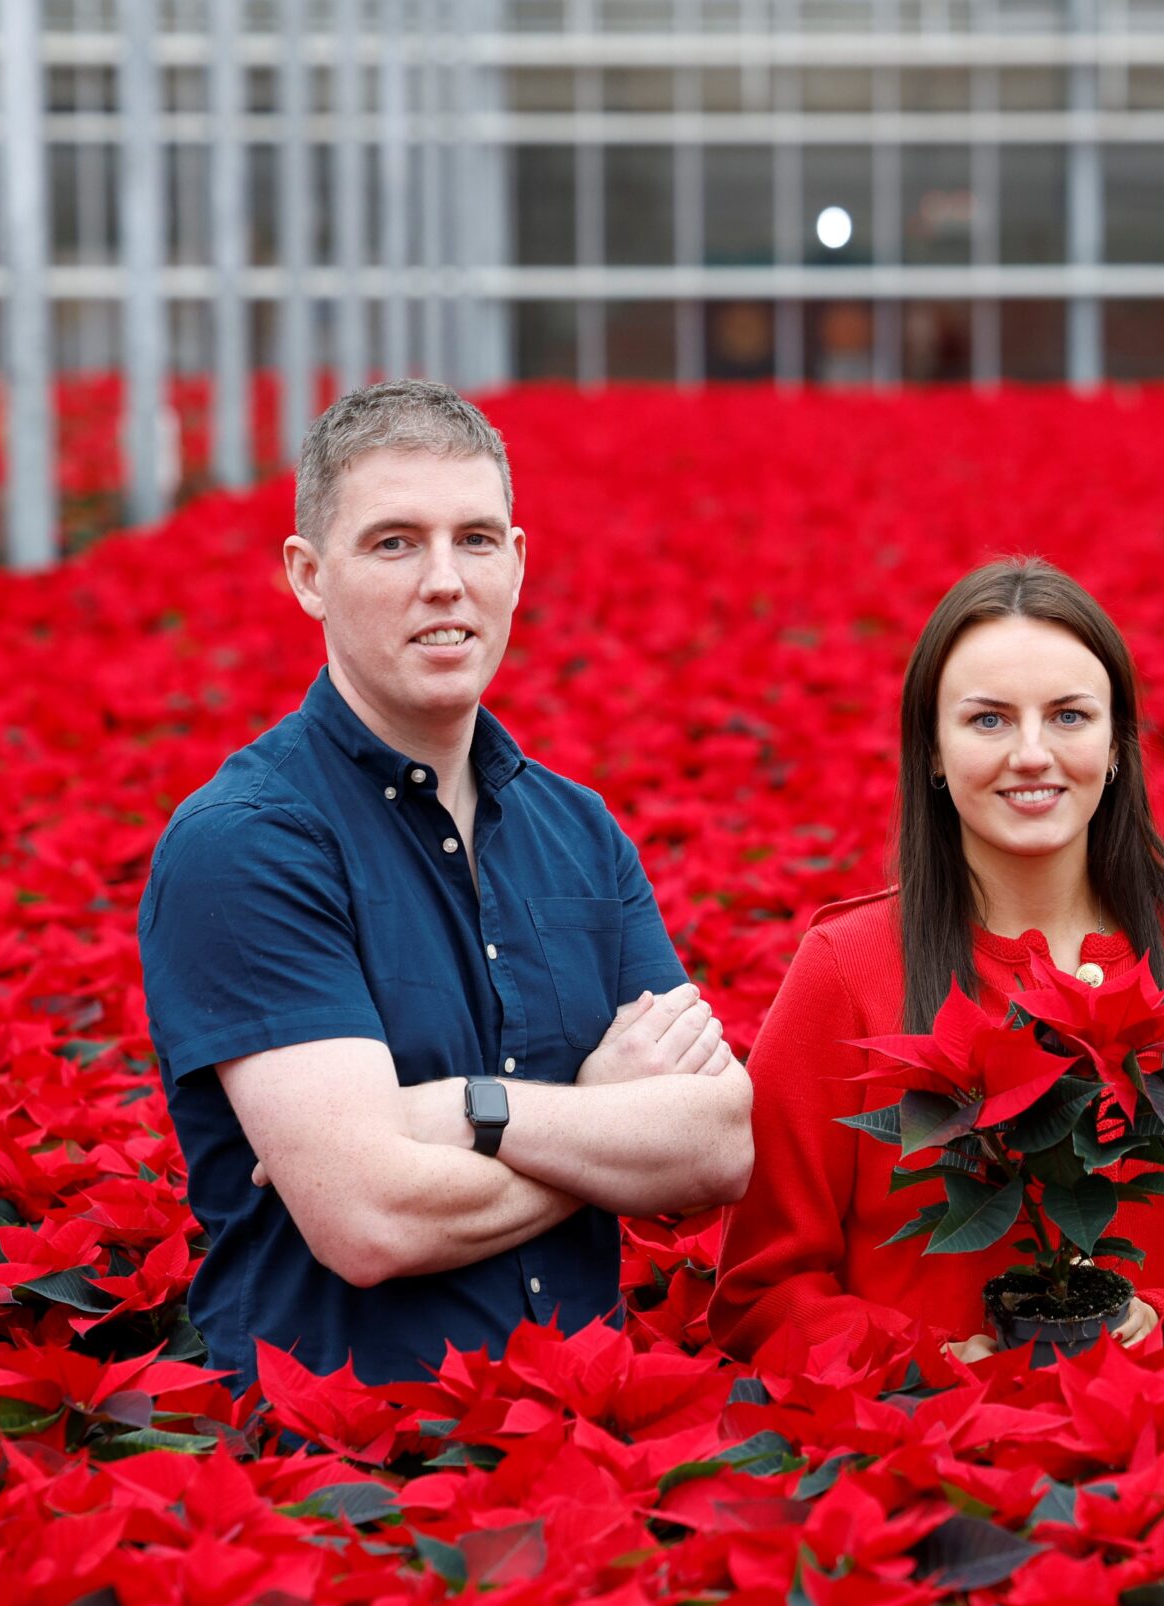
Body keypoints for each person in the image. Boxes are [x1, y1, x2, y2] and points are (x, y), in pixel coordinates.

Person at [138, 380, 752, 1388]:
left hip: (586, 1444)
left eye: (475, 539)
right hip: (351, 1485)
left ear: (516, 565)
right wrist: (592, 1117)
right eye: (393, 543)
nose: (443, 581)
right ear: (308, 575)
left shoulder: (579, 833)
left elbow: (718, 1145)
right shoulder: (245, 846)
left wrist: (466, 1112)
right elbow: (372, 1220)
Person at [710, 560, 1164, 1365]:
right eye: (989, 721)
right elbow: (764, 1287)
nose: (1033, 753)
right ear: (932, 752)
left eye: (1070, 716)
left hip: (1158, 1459)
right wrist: (929, 1362)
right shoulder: (846, 968)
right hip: (920, 1461)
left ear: (1117, 746)